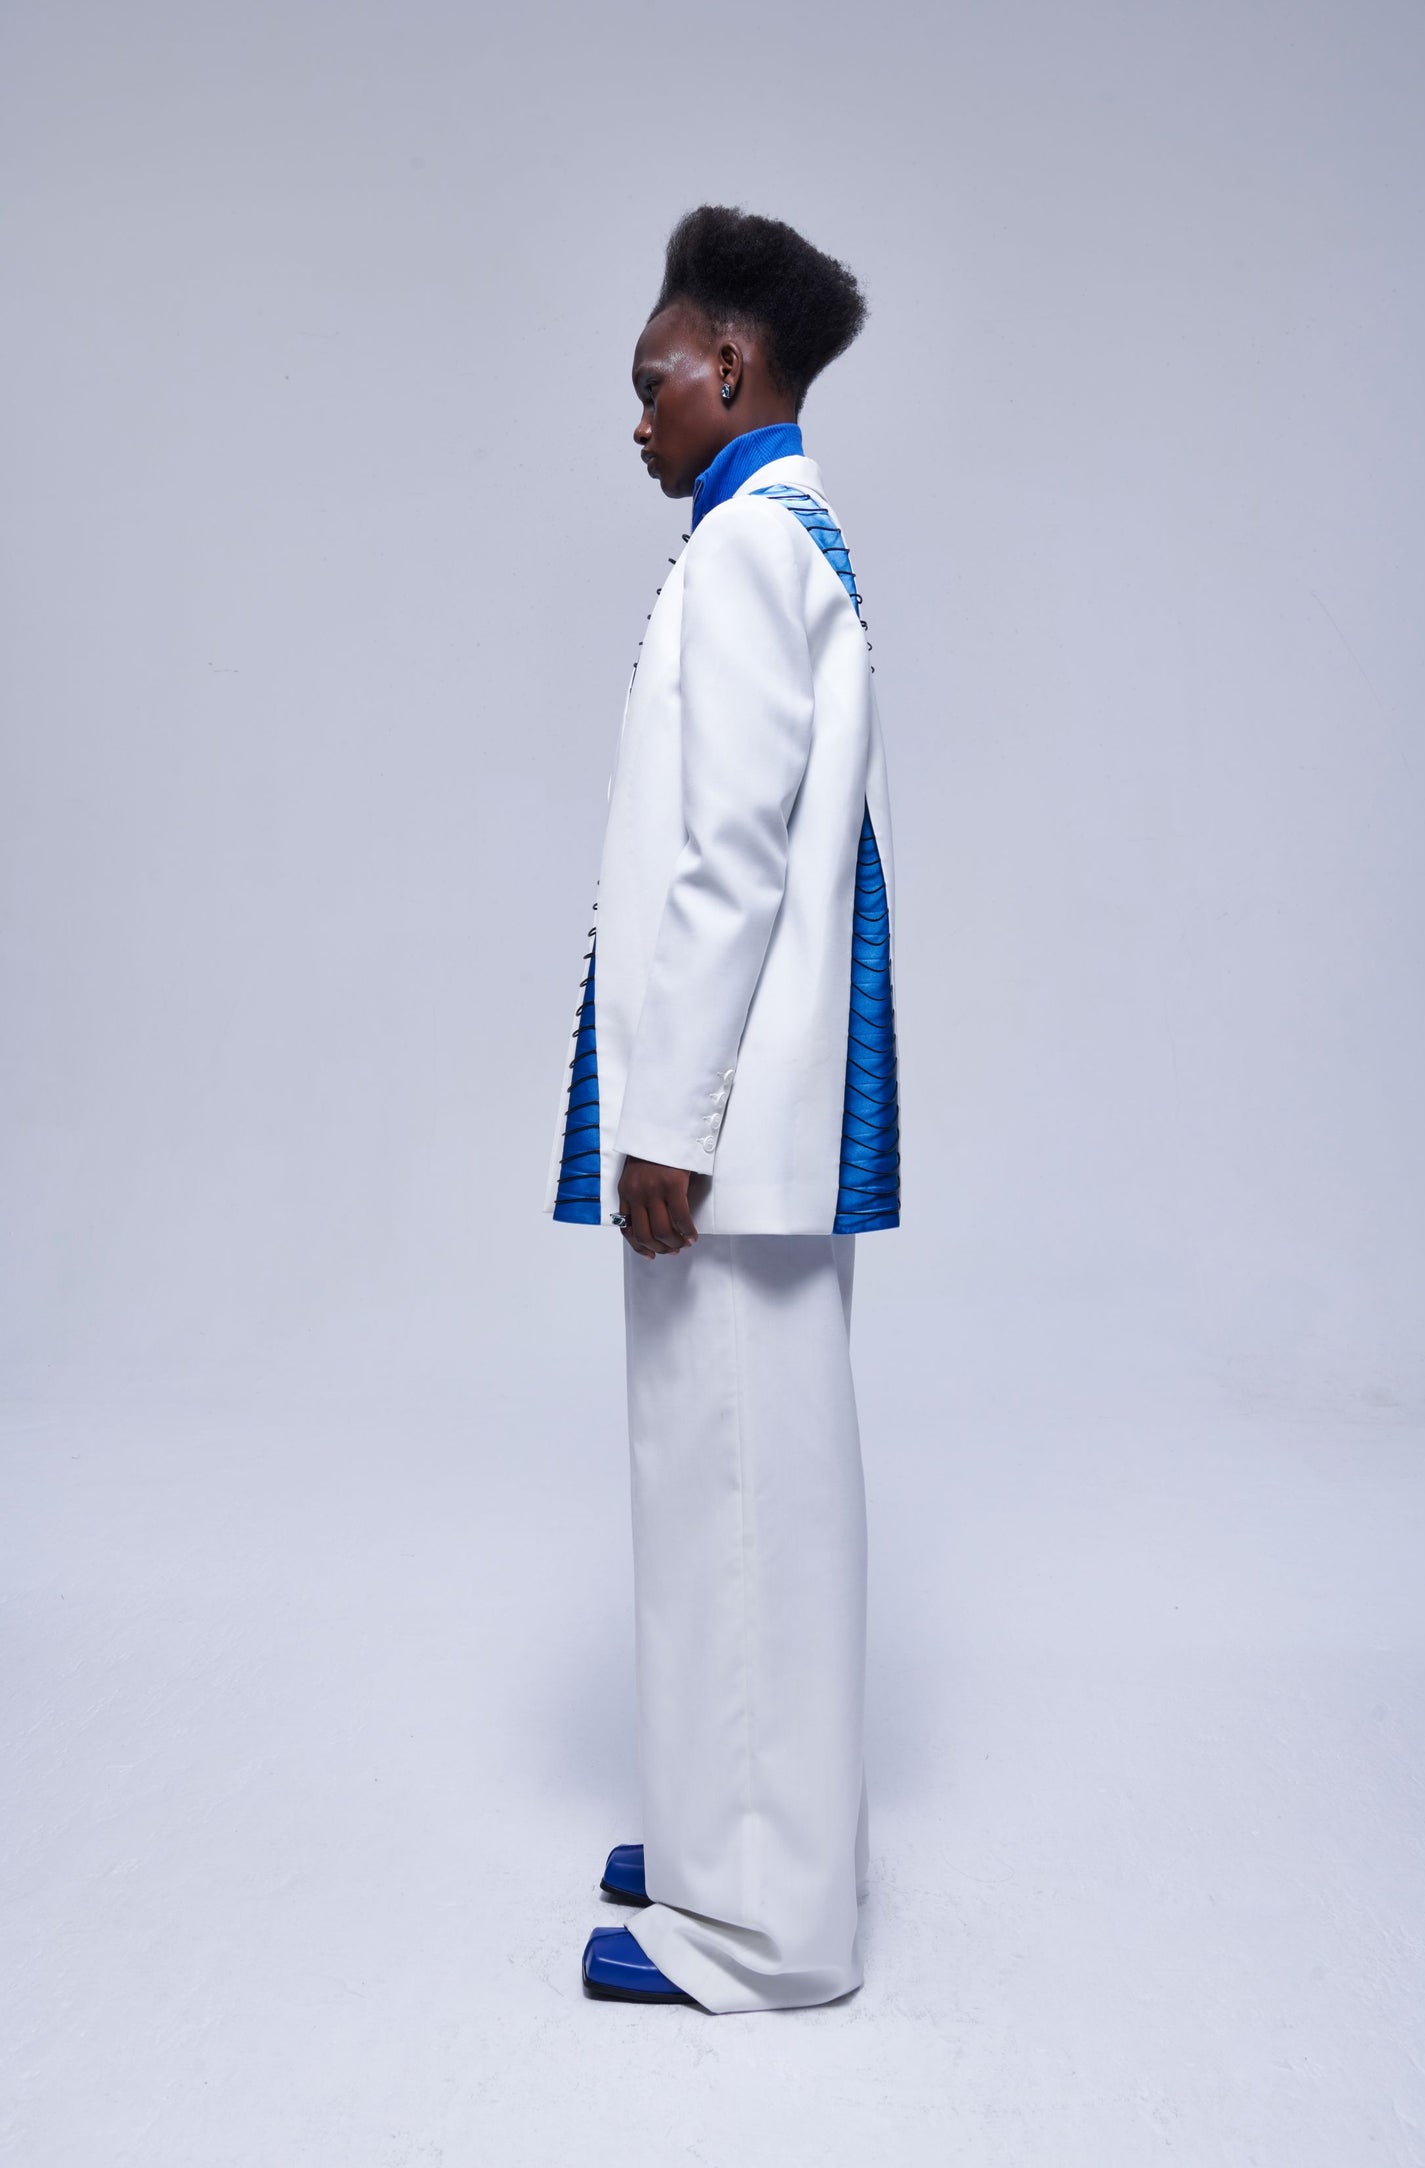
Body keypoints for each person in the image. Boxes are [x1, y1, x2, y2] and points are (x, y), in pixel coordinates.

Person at [542, 203, 901, 2014]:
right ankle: (737, 1838)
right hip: (745, 1116)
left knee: (740, 1501)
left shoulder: (749, 548)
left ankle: (760, 1933)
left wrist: (668, 1123)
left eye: (654, 377)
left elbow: (728, 859)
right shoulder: (772, 533)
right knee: (736, 1489)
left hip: (728, 1131)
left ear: (731, 365)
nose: (639, 415)